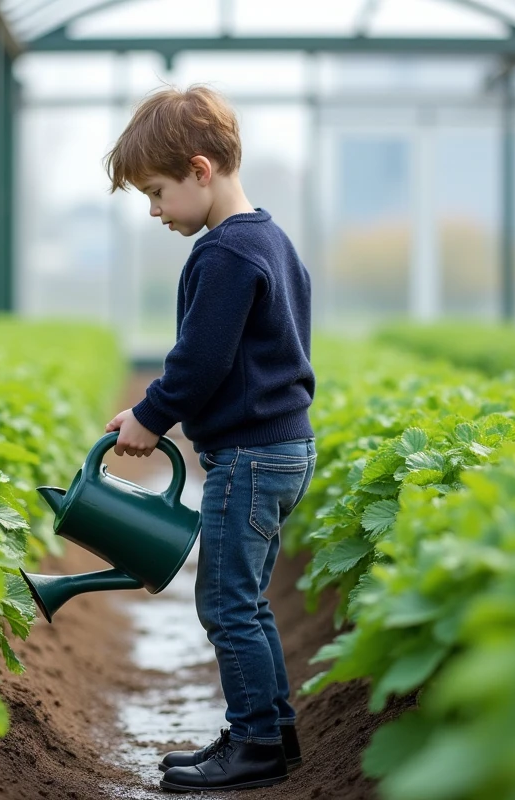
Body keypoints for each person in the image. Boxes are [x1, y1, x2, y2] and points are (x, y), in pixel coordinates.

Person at [102, 84, 317, 793]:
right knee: (246, 599)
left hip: (252, 459)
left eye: (158, 193)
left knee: (225, 602)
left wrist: (149, 416)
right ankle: (270, 731)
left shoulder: (227, 254)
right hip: (283, 450)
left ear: (201, 170)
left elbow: (200, 362)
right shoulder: (272, 239)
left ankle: (253, 743)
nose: (156, 211)